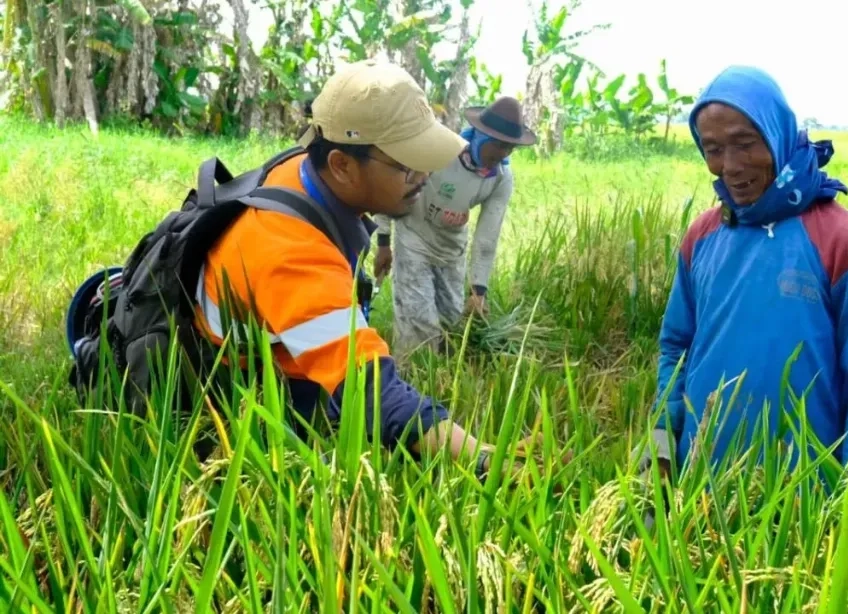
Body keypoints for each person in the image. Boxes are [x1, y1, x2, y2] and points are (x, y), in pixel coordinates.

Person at [68, 60, 544, 480]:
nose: (424, 177)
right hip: (210, 384)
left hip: (246, 333)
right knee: (340, 426)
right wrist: (481, 457)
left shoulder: (305, 166)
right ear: (342, 165)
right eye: (408, 166)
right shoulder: (289, 251)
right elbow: (374, 393)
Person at [639, 65, 848, 480]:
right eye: (713, 148)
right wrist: (663, 449)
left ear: (777, 133)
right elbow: (676, 347)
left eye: (745, 143)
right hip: (700, 484)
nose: (731, 165)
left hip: (805, 495)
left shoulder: (845, 240)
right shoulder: (703, 236)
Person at [372, 96, 536, 356]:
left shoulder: (500, 178)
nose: (503, 153)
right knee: (419, 324)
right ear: (480, 135)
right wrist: (383, 242)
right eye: (499, 144)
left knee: (450, 324)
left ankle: (441, 382)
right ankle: (409, 381)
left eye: (510, 148)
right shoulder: (439, 151)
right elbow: (391, 190)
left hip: (451, 248)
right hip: (415, 238)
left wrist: (478, 289)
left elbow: (487, 236)